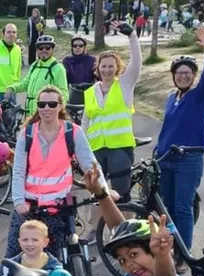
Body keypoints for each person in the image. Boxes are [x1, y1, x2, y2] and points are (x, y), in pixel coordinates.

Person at [6, 85, 99, 262]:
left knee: (57, 260)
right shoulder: (27, 134)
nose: (46, 108)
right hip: (30, 205)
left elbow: (90, 164)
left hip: (59, 207)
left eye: (51, 104)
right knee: (13, 258)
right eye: (42, 104)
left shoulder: (72, 132)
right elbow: (18, 170)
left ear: (60, 106)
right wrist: (19, 201)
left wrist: (103, 191)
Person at [155, 27, 204, 255]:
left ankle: (184, 254)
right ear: (173, 76)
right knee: (167, 208)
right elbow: (168, 129)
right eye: (179, 73)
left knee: (183, 208)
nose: (183, 76)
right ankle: (170, 248)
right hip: (166, 158)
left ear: (193, 75)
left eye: (187, 73)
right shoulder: (172, 99)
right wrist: (157, 153)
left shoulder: (198, 96)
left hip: (189, 159)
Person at [83, 23, 141, 243]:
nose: (107, 70)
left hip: (119, 148)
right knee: (97, 193)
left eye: (111, 66)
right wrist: (79, 147)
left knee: (121, 193)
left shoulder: (124, 85)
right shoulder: (90, 92)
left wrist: (132, 36)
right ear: (98, 68)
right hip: (96, 149)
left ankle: (126, 232)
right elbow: (85, 122)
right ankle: (93, 232)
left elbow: (136, 63)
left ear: (117, 68)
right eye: (103, 66)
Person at [5, 35, 69, 117]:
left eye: (47, 48)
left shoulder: (58, 68)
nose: (44, 50)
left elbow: (63, 93)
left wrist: (59, 111)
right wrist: (12, 88)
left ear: (52, 49)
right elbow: (26, 83)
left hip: (46, 113)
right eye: (41, 48)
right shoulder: (35, 65)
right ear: (37, 50)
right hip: (30, 112)